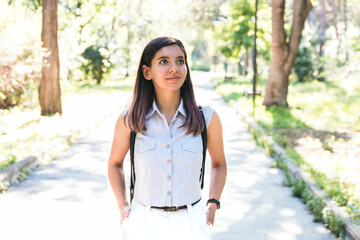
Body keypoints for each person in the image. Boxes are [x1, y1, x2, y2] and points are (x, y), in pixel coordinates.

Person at [108, 36, 227, 240]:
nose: (174, 68)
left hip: (191, 222)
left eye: (180, 61)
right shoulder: (130, 120)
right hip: (144, 223)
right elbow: (114, 163)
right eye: (164, 61)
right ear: (147, 72)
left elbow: (219, 164)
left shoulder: (207, 118)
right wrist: (123, 206)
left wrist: (213, 204)